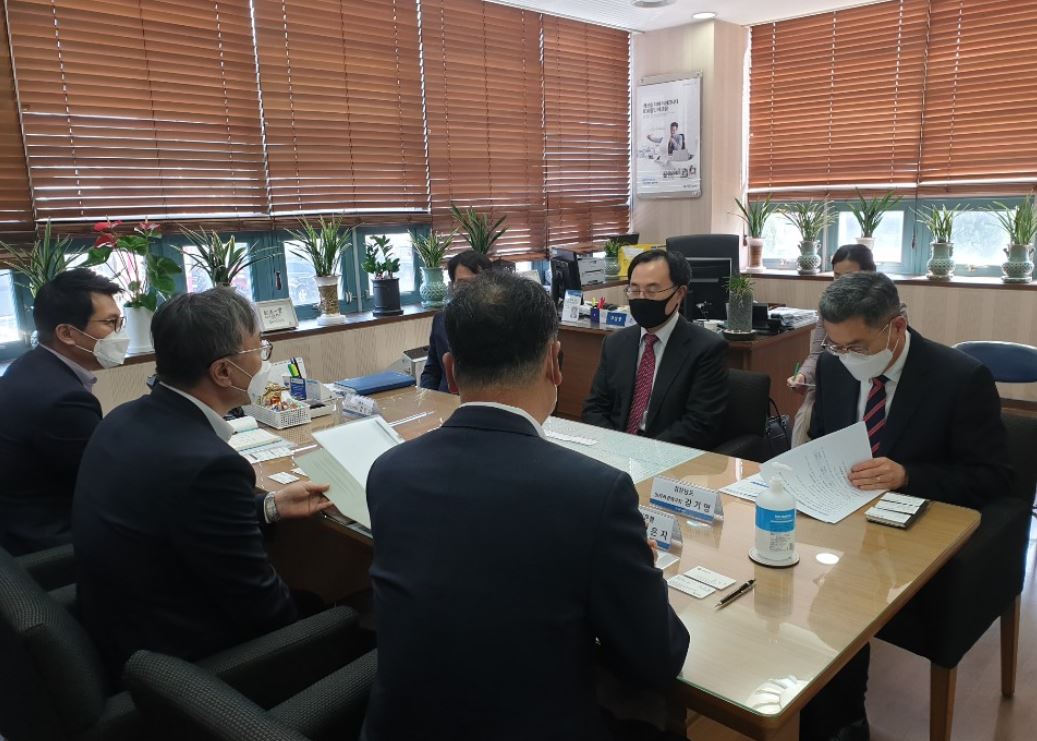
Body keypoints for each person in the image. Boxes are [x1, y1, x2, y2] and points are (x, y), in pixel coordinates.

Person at [363, 272, 689, 741]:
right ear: (555, 363)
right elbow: (660, 657)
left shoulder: (388, 471)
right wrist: (640, 568)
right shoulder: (595, 494)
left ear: (450, 371)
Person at [73, 288, 335, 679]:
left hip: (115, 629)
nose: (264, 361)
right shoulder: (209, 466)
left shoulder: (121, 419)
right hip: (179, 668)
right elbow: (263, 608)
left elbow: (176, 515)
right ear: (223, 372)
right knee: (338, 611)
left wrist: (268, 506)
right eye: (259, 349)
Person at [800, 271, 1011, 741]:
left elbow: (994, 476)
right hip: (843, 514)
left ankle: (843, 722)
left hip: (914, 527)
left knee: (843, 605)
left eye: (856, 346)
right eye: (836, 345)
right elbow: (823, 439)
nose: (846, 357)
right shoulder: (834, 366)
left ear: (896, 326)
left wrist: (908, 474)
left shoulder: (960, 378)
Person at [0, 269, 126, 555]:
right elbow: (109, 483)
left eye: (120, 322)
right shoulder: (62, 399)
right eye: (110, 323)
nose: (120, 334)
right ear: (67, 333)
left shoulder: (29, 365)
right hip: (50, 544)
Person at [582, 249, 728, 450]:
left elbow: (699, 424)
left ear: (679, 294)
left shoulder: (706, 349)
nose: (641, 298)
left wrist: (642, 451)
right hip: (614, 449)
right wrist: (616, 448)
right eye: (634, 290)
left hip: (667, 455)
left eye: (652, 291)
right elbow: (594, 408)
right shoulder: (616, 343)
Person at [788, 244, 888, 446]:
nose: (841, 284)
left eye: (849, 277)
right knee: (806, 417)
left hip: (872, 386)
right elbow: (816, 354)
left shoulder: (888, 310)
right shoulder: (829, 309)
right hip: (833, 386)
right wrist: (803, 376)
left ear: (870, 274)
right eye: (836, 276)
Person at [419, 249, 492, 392]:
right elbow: (431, 371)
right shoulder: (441, 319)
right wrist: (428, 397)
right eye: (463, 284)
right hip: (444, 399)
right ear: (453, 285)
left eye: (477, 283)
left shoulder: (502, 320)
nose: (470, 290)